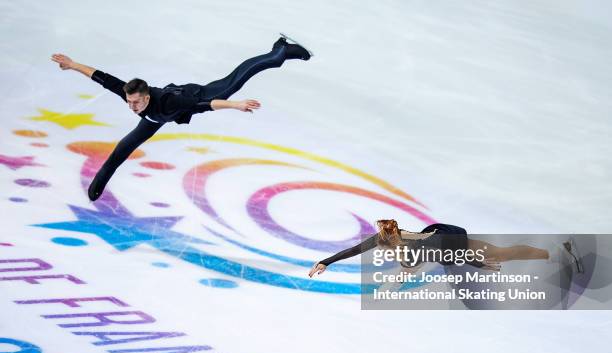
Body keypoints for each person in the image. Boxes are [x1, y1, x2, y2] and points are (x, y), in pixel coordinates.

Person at [51, 36, 311, 201]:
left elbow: (204, 105)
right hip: (156, 118)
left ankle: (279, 53)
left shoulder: (169, 102)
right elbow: (100, 77)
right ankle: (97, 186)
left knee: (233, 82)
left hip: (192, 98)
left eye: (136, 102)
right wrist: (73, 64)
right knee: (122, 149)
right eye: (129, 102)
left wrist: (235, 105)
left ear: (147, 97)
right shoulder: (132, 96)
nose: (131, 106)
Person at [308, 219, 583, 277]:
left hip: (452, 239)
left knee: (500, 254)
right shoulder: (385, 239)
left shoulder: (418, 244)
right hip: (438, 242)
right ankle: (555, 253)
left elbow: (448, 253)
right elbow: (354, 250)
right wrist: (326, 261)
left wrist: (478, 263)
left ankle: (556, 252)